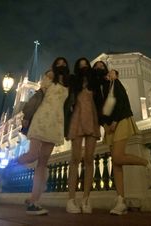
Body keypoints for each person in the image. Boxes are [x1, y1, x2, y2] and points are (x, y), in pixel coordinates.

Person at [7, 57, 70, 215]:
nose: (61, 66)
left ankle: (34, 201)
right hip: (41, 119)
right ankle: (11, 165)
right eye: (59, 64)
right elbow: (36, 97)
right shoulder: (49, 78)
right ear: (54, 66)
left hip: (56, 123)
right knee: (33, 154)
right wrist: (27, 116)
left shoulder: (69, 84)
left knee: (43, 163)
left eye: (64, 64)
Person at [98, 68, 151, 215]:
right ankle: (121, 200)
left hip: (120, 121)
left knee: (117, 156)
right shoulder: (108, 88)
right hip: (110, 126)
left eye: (112, 72)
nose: (109, 74)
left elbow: (122, 101)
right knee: (116, 164)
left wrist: (115, 120)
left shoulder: (117, 84)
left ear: (116, 75)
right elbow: (106, 108)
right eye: (108, 72)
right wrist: (106, 123)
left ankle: (147, 163)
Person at [66, 57, 101, 214]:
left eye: (86, 65)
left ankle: (86, 199)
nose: (83, 67)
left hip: (92, 117)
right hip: (77, 117)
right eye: (80, 65)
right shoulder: (74, 81)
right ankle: (71, 199)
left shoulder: (94, 81)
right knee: (74, 159)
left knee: (89, 159)